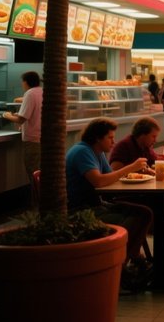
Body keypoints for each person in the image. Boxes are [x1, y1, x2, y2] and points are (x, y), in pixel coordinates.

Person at [65, 118, 154, 292]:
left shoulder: (97, 152)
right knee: (135, 219)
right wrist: (129, 168)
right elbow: (98, 181)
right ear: (98, 138)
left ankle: (128, 262)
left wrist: (136, 172)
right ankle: (122, 268)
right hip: (81, 210)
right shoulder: (82, 151)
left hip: (96, 204)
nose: (114, 141)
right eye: (110, 137)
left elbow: (110, 178)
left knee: (145, 212)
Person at [2, 70, 43, 192]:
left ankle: (37, 201)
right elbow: (33, 115)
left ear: (26, 82)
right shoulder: (41, 91)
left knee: (34, 173)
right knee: (41, 174)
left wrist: (7, 115)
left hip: (33, 141)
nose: (22, 84)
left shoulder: (30, 93)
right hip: (42, 139)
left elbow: (21, 119)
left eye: (22, 82)